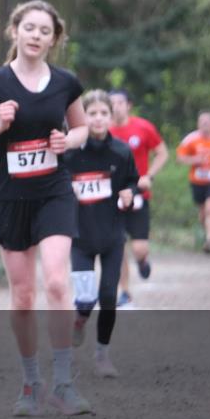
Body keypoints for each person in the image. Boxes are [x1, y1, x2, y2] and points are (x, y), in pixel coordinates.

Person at [0, 0, 90, 416]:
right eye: (29, 28)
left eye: (44, 31)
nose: (36, 36)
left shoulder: (66, 82)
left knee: (55, 282)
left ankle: (65, 384)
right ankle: (31, 384)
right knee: (23, 295)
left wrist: (67, 142)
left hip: (54, 192)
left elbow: (82, 128)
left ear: (55, 39)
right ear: (14, 31)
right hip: (11, 198)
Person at [62, 90, 139, 377]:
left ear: (111, 117)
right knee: (85, 299)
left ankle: (102, 355)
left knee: (108, 296)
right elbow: (55, 181)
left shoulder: (120, 151)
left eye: (103, 113)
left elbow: (132, 180)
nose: (97, 119)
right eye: (91, 113)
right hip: (79, 236)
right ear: (83, 117)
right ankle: (80, 320)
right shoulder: (70, 153)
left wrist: (129, 193)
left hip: (111, 235)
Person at [109, 89, 168, 307]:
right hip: (112, 198)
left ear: (128, 105)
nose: (115, 106)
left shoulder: (143, 127)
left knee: (139, 248)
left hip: (139, 194)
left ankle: (143, 261)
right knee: (117, 245)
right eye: (111, 103)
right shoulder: (102, 130)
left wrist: (149, 176)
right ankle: (124, 291)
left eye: (120, 102)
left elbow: (162, 152)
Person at [176, 110, 210, 254]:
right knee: (202, 213)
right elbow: (180, 158)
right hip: (197, 180)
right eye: (200, 122)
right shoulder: (190, 139)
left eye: (206, 122)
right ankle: (208, 233)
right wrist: (194, 160)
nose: (203, 125)